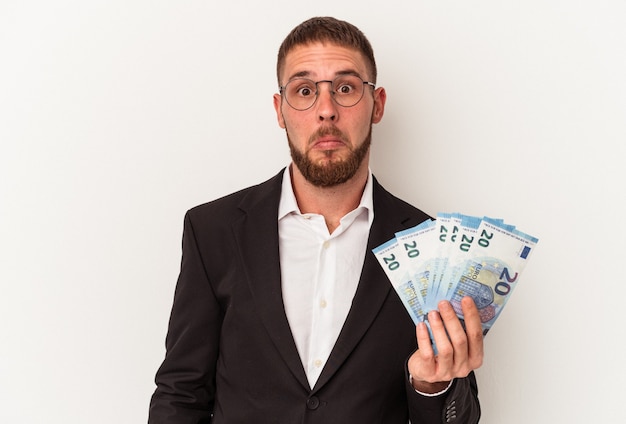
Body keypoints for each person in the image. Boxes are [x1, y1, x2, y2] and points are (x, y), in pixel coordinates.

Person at [148, 16, 483, 423]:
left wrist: (432, 386)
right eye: (304, 90)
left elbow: (460, 416)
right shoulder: (213, 231)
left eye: (345, 88)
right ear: (280, 110)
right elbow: (181, 393)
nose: (326, 111)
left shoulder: (431, 246)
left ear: (376, 105)